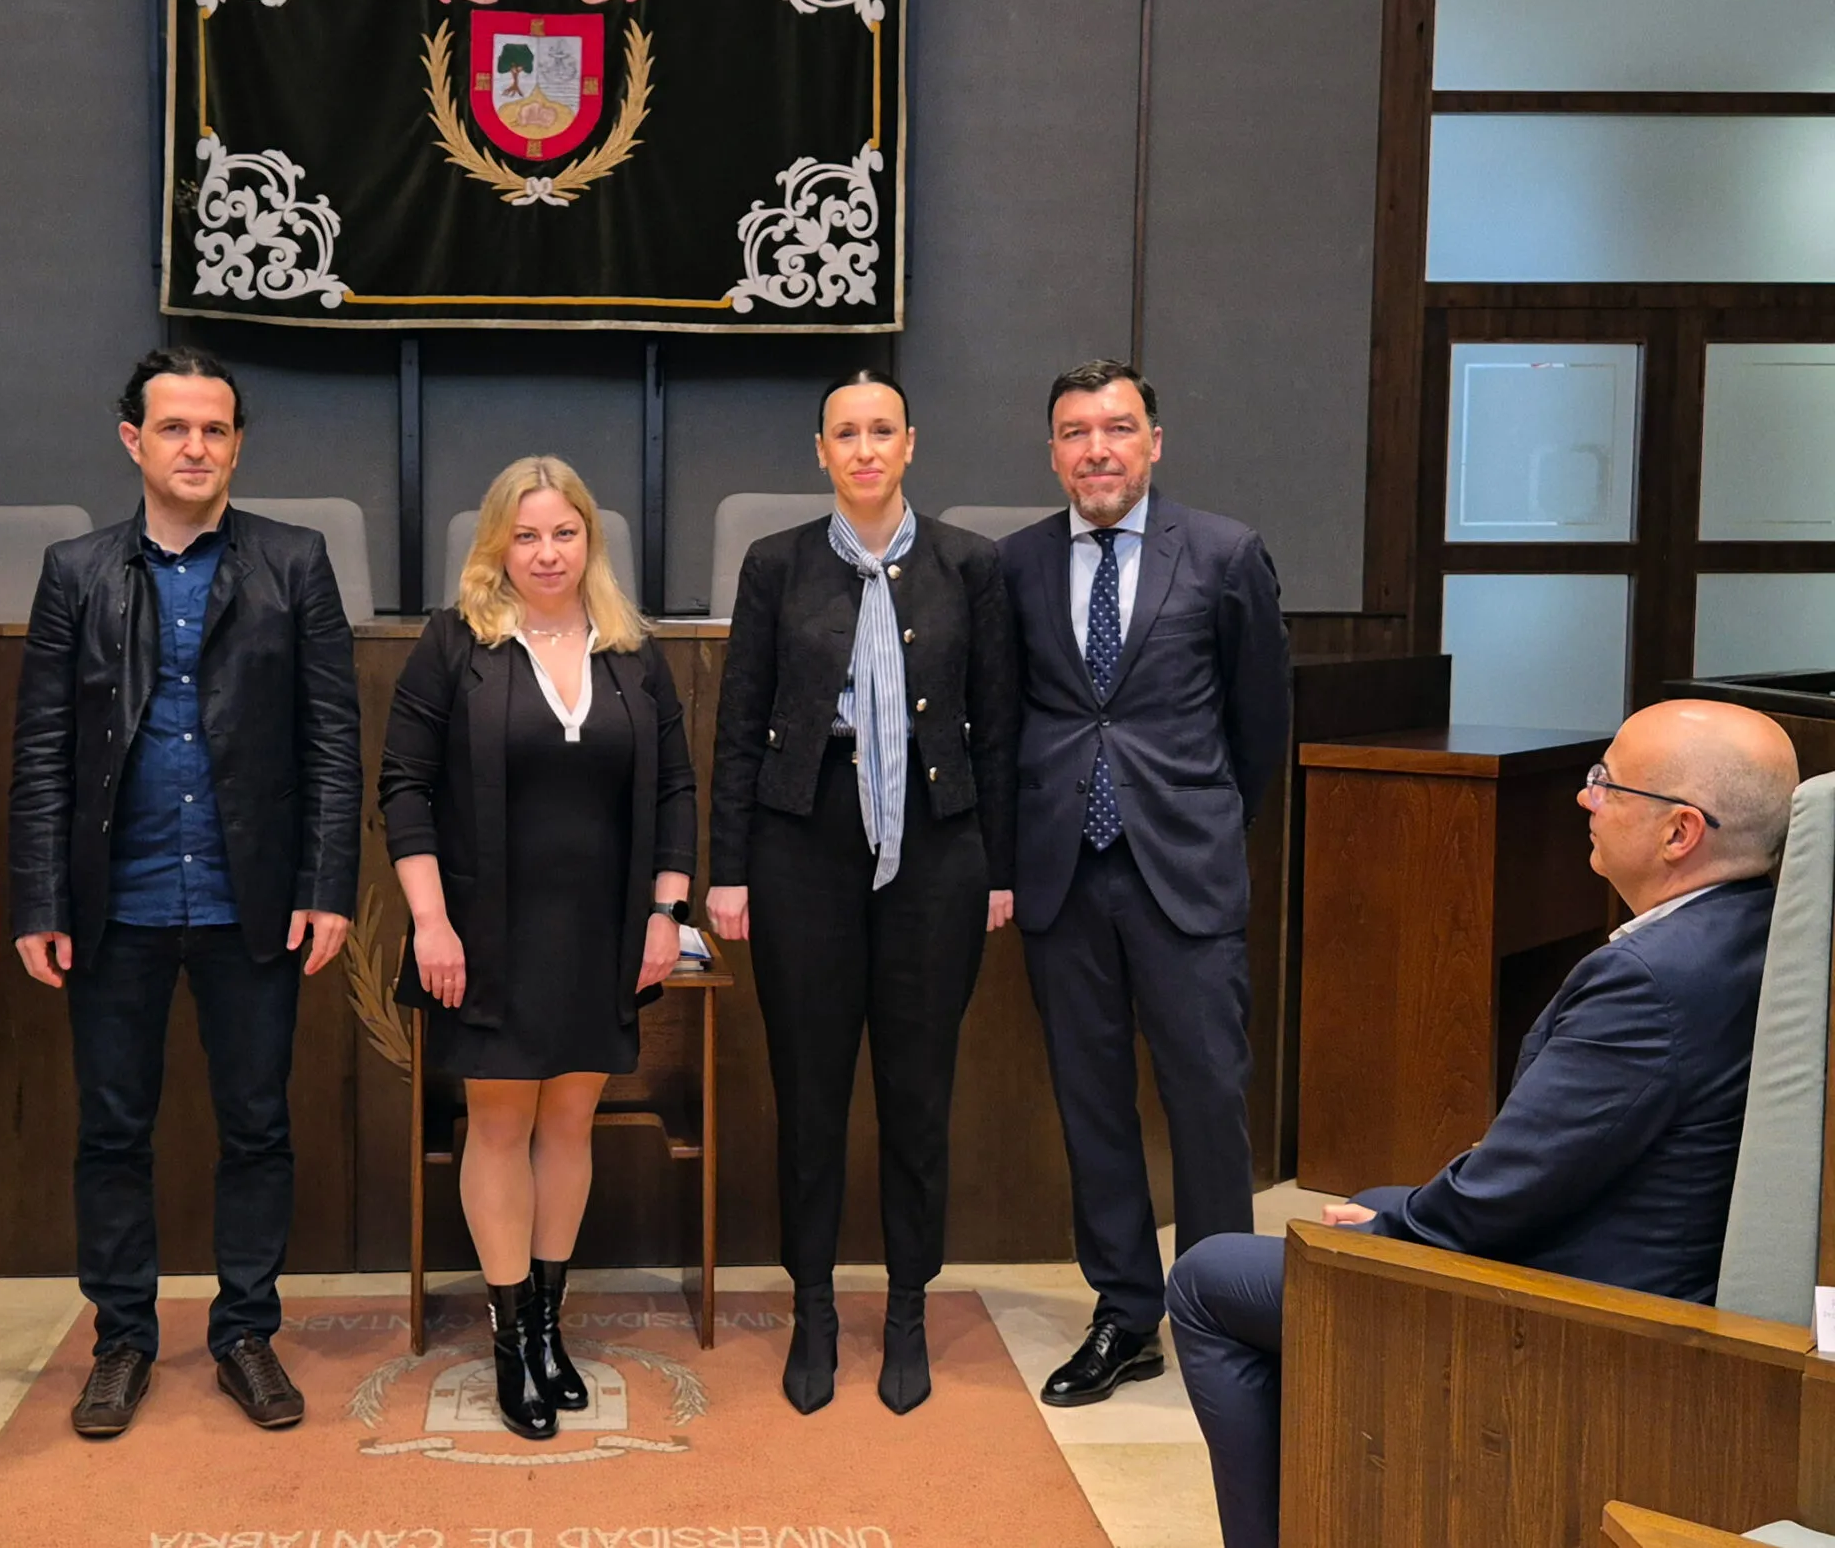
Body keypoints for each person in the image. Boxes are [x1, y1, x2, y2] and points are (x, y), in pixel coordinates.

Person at [1168, 699, 1798, 1548]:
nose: (1586, 799)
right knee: (1367, 1204)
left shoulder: (1650, 980)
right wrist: (1396, 1209)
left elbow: (1499, 1199)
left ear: (1680, 832)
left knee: (1210, 1277)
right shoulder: (1755, 931)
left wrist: (1397, 1219)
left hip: (1589, 1317)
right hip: (1645, 1267)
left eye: (1606, 782)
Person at [8, 345, 360, 1440]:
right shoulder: (76, 570)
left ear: (237, 444)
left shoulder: (294, 563)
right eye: (174, 428)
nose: (195, 447)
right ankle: (121, 1340)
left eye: (214, 430)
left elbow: (333, 743)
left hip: (251, 902)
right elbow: (42, 750)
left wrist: (327, 884)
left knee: (256, 1126)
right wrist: (38, 901)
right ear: (134, 440)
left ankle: (245, 1330)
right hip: (113, 905)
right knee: (113, 1130)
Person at [707, 367, 1018, 1417]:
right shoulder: (774, 564)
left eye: (882, 430)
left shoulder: (968, 566)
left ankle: (908, 1309)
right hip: (804, 845)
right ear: (821, 452)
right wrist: (729, 868)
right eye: (846, 432)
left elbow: (1002, 730)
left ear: (911, 444)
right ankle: (812, 1309)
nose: (865, 449)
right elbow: (738, 724)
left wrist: (1001, 869)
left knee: (918, 1096)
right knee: (810, 1093)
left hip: (937, 849)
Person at [379, 457, 698, 1440]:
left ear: (589, 541)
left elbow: (679, 789)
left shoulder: (632, 651)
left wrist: (664, 912)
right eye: (525, 535)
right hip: (484, 934)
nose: (546, 553)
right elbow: (403, 788)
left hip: (604, 931)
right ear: (495, 546)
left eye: (564, 533)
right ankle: (510, 1336)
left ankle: (553, 1328)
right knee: (500, 1124)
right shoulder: (454, 644)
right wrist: (430, 921)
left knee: (569, 1121)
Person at [996, 358, 1291, 1408]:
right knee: (1091, 1106)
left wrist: (1204, 823)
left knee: (1209, 1100)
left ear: (1154, 441)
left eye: (1117, 427)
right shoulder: (1016, 565)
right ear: (1053, 454)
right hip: (1062, 876)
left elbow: (1261, 733)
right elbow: (1006, 726)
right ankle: (1127, 1315)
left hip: (1184, 871)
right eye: (1074, 432)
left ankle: (1230, 1317)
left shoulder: (1222, 554)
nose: (1097, 449)